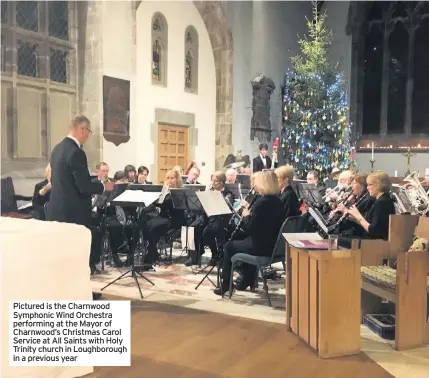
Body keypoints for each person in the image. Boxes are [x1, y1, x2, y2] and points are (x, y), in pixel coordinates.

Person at [47, 115, 105, 299]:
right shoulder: (76, 152)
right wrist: (103, 186)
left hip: (56, 210)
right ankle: (81, 294)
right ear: (82, 130)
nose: (88, 136)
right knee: (78, 256)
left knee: (63, 257)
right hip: (74, 214)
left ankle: (64, 293)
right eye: (88, 132)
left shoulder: (57, 149)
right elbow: (83, 187)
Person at [214, 171, 284, 295]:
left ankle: (226, 285)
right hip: (273, 246)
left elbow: (250, 228)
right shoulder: (277, 201)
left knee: (229, 246)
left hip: (261, 247)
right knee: (243, 241)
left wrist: (246, 215)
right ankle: (248, 279)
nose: (254, 186)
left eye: (256, 183)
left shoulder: (261, 203)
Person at [347, 171, 395, 240]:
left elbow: (373, 231)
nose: (367, 188)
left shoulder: (381, 203)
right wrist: (355, 218)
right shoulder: (383, 200)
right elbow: (371, 224)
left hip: (374, 243)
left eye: (370, 185)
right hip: (372, 240)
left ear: (379, 185)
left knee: (337, 240)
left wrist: (358, 215)